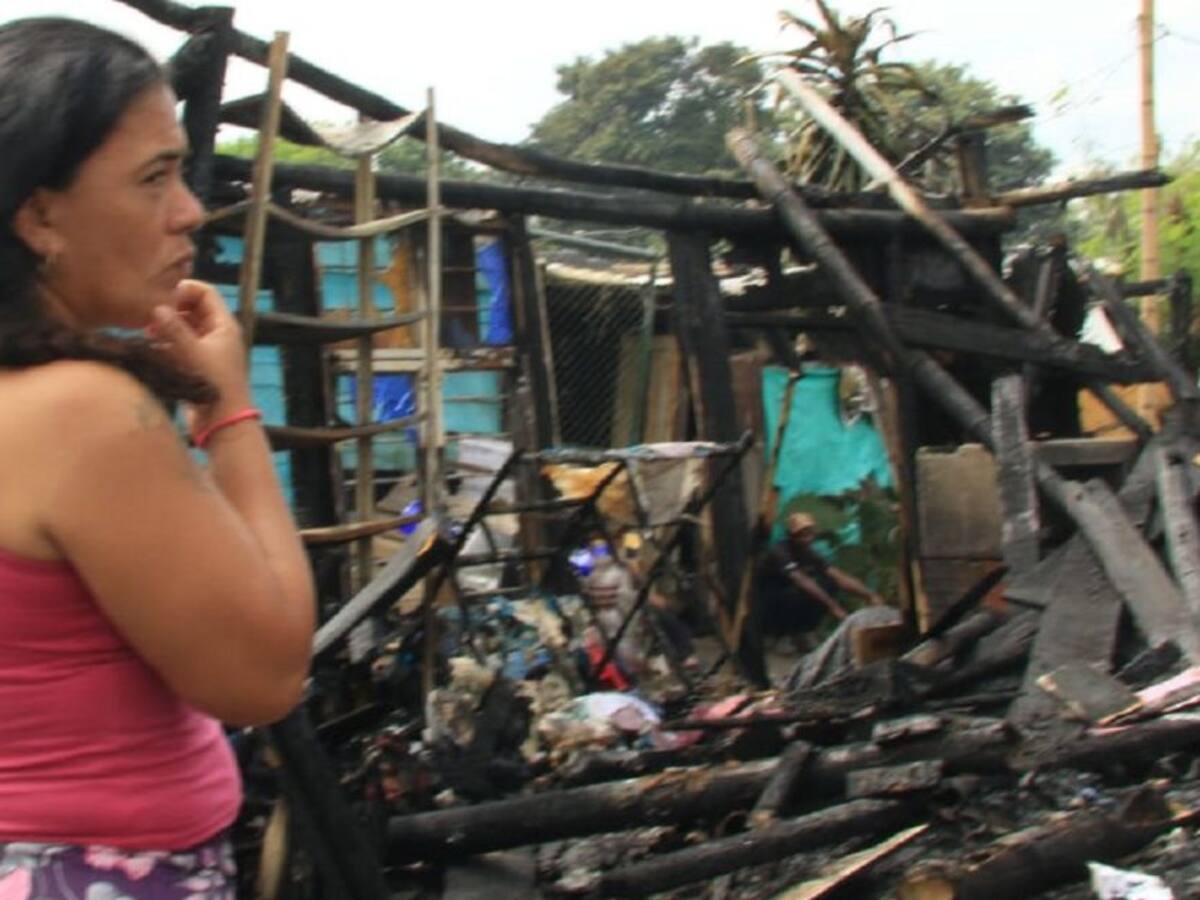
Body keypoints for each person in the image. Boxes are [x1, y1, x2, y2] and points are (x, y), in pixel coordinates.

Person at [0, 17, 314, 899]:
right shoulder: (81, 412)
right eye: (154, 178)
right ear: (38, 214)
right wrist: (227, 407)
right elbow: (264, 676)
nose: (189, 209)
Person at [757, 512, 883, 646]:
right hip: (768, 602)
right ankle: (781, 634)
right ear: (791, 536)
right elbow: (801, 580)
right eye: (801, 535)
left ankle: (803, 631)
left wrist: (869, 595)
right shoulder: (780, 551)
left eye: (809, 534)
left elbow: (837, 575)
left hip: (786, 595)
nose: (807, 539)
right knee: (800, 592)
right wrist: (833, 606)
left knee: (830, 584)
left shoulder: (808, 552)